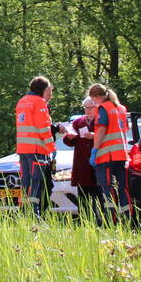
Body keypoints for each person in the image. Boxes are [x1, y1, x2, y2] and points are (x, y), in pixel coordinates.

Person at [88, 83, 131, 221]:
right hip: (121, 155)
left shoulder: (103, 109)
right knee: (123, 188)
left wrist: (94, 150)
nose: (93, 103)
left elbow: (101, 130)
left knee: (108, 188)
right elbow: (125, 130)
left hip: (107, 156)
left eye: (94, 100)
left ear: (98, 96)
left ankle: (110, 220)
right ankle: (127, 218)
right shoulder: (121, 108)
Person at [15, 76, 56, 216]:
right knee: (37, 181)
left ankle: (24, 212)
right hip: (36, 149)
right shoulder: (39, 102)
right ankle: (34, 213)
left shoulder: (21, 102)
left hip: (22, 148)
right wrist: (52, 148)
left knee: (26, 180)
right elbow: (44, 127)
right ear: (43, 89)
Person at [63, 97, 103, 216]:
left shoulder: (101, 121)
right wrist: (68, 138)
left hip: (98, 164)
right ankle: (85, 222)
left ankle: (102, 221)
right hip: (82, 166)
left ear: (97, 108)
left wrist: (94, 136)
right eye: (86, 107)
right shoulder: (77, 122)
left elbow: (107, 137)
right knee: (83, 197)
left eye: (91, 107)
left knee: (100, 196)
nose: (88, 110)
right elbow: (69, 142)